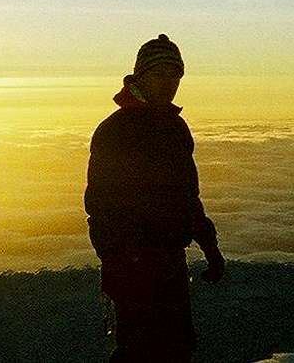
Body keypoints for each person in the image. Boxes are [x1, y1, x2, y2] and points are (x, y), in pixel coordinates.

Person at [84, 33, 225, 362]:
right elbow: (99, 206)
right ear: (140, 76)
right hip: (132, 263)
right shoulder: (114, 131)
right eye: (160, 74)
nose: (169, 83)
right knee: (137, 351)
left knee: (178, 348)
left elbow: (188, 196)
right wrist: (117, 260)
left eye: (176, 75)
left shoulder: (176, 129)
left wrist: (209, 245)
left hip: (170, 261)